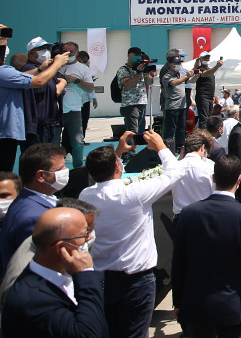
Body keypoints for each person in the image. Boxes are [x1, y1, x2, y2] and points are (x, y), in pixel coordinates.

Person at [79, 129, 183, 338]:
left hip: (103, 279)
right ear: (118, 167)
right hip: (137, 280)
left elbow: (101, 177)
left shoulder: (86, 195)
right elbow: (174, 173)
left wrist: (116, 153)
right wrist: (161, 146)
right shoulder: (134, 193)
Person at [173, 155, 241, 337]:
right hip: (232, 308)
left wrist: (178, 301)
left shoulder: (188, 214)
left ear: (214, 178)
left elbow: (178, 263)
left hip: (196, 307)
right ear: (239, 179)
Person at [0, 207, 107, 338]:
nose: (89, 237)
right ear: (61, 248)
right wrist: (86, 275)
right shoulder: (33, 300)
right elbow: (88, 334)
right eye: (84, 234)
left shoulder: (66, 271)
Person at [0, 143, 69, 275]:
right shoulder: (33, 217)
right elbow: (40, 267)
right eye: (60, 169)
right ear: (41, 176)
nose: (66, 170)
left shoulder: (36, 200)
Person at [0, 45, 68, 171]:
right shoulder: (3, 71)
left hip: (11, 131)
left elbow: (22, 76)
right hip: (8, 132)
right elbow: (39, 82)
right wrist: (57, 65)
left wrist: (40, 69)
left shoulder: (7, 74)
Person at [59, 42, 95, 168]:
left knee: (77, 142)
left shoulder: (83, 68)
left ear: (77, 53)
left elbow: (90, 88)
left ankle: (78, 168)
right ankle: (54, 168)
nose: (67, 55)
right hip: (56, 109)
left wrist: (76, 80)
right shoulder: (56, 66)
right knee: (52, 143)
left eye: (71, 52)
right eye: (64, 52)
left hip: (73, 109)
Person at [171, 131, 214, 218]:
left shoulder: (174, 167)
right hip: (203, 217)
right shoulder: (210, 167)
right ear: (202, 147)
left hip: (180, 218)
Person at [160, 48, 196, 150]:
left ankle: (180, 146)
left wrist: (196, 76)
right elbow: (174, 82)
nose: (179, 64)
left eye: (180, 62)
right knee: (171, 128)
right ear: (171, 64)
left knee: (181, 127)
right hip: (172, 106)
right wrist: (186, 77)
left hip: (182, 105)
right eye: (177, 63)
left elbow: (190, 81)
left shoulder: (181, 74)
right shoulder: (167, 75)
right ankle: (168, 147)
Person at [116, 47, 155, 135]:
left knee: (140, 132)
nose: (138, 58)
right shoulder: (123, 70)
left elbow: (149, 82)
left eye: (139, 56)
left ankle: (137, 147)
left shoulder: (141, 69)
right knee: (132, 132)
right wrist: (138, 73)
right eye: (135, 56)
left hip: (141, 103)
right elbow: (128, 85)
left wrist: (145, 71)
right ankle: (130, 148)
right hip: (130, 104)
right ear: (129, 56)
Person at [191, 51, 223, 129]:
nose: (207, 58)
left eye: (208, 57)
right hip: (202, 96)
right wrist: (217, 66)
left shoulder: (209, 69)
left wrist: (213, 95)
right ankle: (204, 137)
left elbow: (209, 73)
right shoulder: (199, 69)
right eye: (205, 57)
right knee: (204, 119)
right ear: (200, 59)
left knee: (209, 118)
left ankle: (208, 136)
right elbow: (205, 74)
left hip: (209, 97)